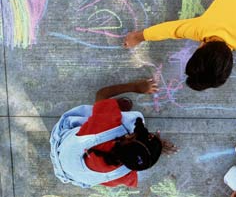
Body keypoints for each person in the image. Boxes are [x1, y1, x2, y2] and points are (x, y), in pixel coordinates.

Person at [50, 79, 178, 188]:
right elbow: (135, 168)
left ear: (129, 136)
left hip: (62, 146)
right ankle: (108, 109)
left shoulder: (103, 129)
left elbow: (102, 94)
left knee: (128, 120)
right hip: (69, 173)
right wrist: (155, 149)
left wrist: (135, 87)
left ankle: (110, 108)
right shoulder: (124, 174)